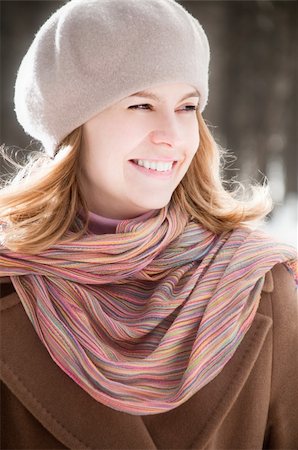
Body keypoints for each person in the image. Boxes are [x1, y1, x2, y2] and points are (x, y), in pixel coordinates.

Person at [0, 0, 297, 449]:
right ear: (72, 126)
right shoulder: (10, 288)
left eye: (187, 107)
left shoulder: (260, 283)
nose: (173, 135)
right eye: (140, 104)